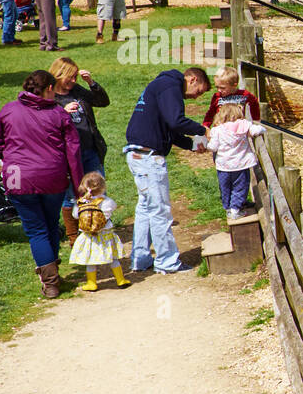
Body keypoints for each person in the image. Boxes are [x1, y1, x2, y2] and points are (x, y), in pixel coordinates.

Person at [0, 69, 83, 298]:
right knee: (50, 225)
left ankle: (50, 283)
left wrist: (11, 156)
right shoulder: (59, 114)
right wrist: (79, 184)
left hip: (17, 177)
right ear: (49, 88)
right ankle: (53, 277)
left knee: (36, 230)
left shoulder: (9, 110)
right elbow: (73, 151)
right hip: (52, 176)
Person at [124, 67, 211, 274]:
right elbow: (176, 121)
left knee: (145, 208)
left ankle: (140, 259)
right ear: (192, 79)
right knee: (160, 211)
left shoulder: (163, 86)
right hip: (149, 158)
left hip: (138, 153)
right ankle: (167, 261)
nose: (196, 96)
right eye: (199, 91)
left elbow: (169, 128)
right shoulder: (171, 86)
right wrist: (203, 130)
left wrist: (191, 145)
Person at [51, 57, 110, 242]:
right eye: (71, 77)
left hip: (90, 149)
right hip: (68, 156)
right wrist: (62, 113)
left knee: (98, 191)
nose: (74, 81)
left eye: (76, 77)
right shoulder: (50, 97)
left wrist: (91, 83)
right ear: (60, 75)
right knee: (71, 195)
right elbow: (43, 125)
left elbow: (102, 102)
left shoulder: (77, 90)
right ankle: (74, 237)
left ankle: (99, 229)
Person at [68, 171, 131, 291]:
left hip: (88, 236)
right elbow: (111, 208)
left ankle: (92, 283)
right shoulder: (107, 201)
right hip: (105, 234)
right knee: (113, 258)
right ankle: (120, 279)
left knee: (90, 260)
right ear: (103, 187)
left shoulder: (81, 202)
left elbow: (75, 215)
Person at [206, 102, 265, 222]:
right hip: (241, 164)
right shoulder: (243, 125)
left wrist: (206, 145)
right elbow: (256, 130)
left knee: (225, 187)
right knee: (240, 187)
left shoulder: (217, 130)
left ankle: (228, 207)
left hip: (224, 166)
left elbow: (213, 147)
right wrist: (263, 128)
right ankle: (235, 210)